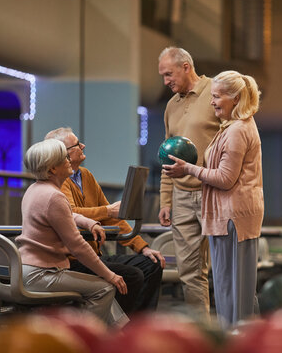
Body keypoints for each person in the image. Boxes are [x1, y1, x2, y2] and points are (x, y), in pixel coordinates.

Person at [163, 70, 264, 329]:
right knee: (233, 290)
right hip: (230, 216)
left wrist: (188, 169)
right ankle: (240, 338)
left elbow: (225, 178)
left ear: (236, 98)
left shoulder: (237, 130)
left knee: (233, 292)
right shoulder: (231, 126)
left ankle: (237, 340)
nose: (212, 101)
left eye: (217, 97)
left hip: (233, 218)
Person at [44, 127, 165, 314]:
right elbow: (71, 212)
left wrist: (143, 247)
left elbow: (111, 218)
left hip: (94, 256)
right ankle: (118, 327)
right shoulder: (58, 181)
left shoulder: (86, 176)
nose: (83, 145)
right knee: (132, 276)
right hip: (72, 260)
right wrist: (107, 210)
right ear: (63, 153)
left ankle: (137, 325)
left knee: (151, 264)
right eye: (77, 144)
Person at [16, 139, 128, 325]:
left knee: (101, 287)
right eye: (65, 158)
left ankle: (122, 334)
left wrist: (89, 222)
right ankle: (83, 341)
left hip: (26, 270)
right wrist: (111, 275)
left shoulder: (36, 189)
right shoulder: (54, 197)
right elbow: (78, 246)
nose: (69, 160)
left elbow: (68, 214)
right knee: (105, 288)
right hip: (42, 274)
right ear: (53, 169)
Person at [158, 47, 220, 314]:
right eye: (162, 76)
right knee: (189, 271)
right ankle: (203, 332)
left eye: (169, 74)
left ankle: (234, 328)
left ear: (186, 67)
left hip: (214, 192)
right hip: (182, 198)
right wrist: (165, 200)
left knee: (225, 266)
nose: (165, 81)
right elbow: (166, 155)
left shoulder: (216, 92)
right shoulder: (171, 106)